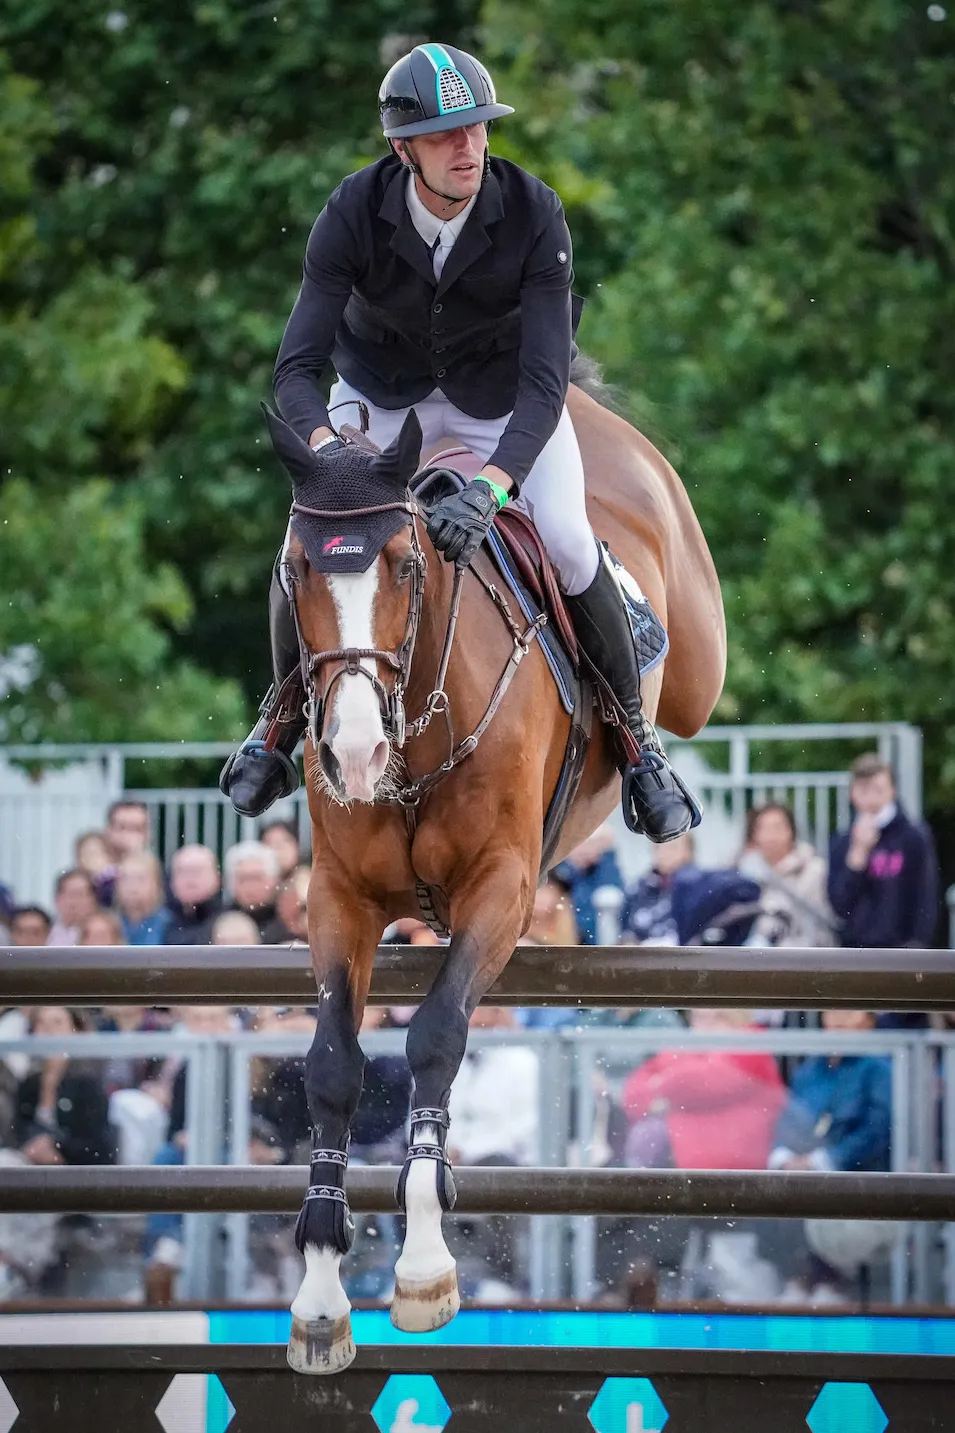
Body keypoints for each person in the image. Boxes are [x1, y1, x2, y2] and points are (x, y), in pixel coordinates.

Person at [218, 41, 698, 844]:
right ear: (403, 149)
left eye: (476, 128)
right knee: (304, 543)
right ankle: (279, 721)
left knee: (573, 544)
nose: (468, 146)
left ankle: (638, 747)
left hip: (500, 402)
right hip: (376, 400)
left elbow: (548, 384)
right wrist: (323, 446)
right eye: (445, 134)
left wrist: (492, 486)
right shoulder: (350, 210)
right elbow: (297, 366)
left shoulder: (534, 210)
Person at [829, 754, 939, 1029]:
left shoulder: (914, 837)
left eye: (879, 790)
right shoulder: (843, 842)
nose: (872, 799)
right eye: (864, 790)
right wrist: (857, 857)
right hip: (857, 959)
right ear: (853, 794)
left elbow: (926, 899)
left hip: (902, 957)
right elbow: (839, 905)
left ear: (892, 791)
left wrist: (917, 950)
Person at [621, 1009, 787, 1171]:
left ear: (737, 1019)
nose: (707, 1026)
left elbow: (706, 1082)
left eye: (718, 1018)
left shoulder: (752, 1045)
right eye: (699, 1018)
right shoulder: (686, 1049)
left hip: (736, 1169)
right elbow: (633, 1093)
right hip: (684, 1165)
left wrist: (661, 1086)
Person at [15, 1007, 116, 1167]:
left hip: (75, 1169)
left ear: (75, 1031)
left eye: (57, 1023)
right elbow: (16, 1131)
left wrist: (56, 1148)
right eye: (41, 1023)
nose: (48, 1031)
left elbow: (98, 1145)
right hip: (29, 1165)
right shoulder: (28, 1083)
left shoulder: (88, 1083)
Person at [738, 804, 835, 948]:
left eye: (777, 827)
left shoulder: (815, 870)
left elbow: (820, 924)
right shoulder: (743, 872)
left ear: (791, 831)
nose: (771, 835)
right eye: (763, 828)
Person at [619, 832, 697, 945]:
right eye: (658, 847)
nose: (663, 853)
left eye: (672, 847)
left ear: (688, 851)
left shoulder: (699, 889)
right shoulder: (637, 890)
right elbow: (625, 932)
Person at [552, 825, 624, 945]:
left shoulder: (604, 872)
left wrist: (608, 855)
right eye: (580, 844)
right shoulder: (560, 873)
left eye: (590, 845)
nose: (585, 850)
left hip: (596, 941)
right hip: (569, 939)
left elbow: (612, 886)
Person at [223, 840, 287, 942]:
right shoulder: (219, 922)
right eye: (243, 879)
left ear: (273, 881)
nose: (250, 886)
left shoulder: (287, 922)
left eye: (256, 878)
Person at [164, 844, 225, 945]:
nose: (190, 879)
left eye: (197, 871)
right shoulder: (160, 923)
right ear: (171, 880)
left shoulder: (230, 923)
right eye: (182, 871)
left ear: (217, 878)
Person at [114, 852, 169, 945]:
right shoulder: (108, 924)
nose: (132, 887)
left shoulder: (169, 926)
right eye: (125, 878)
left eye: (141, 879)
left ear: (156, 884)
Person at [48, 869, 100, 947]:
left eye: (79, 895)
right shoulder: (43, 932)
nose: (73, 902)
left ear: (93, 900)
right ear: (57, 899)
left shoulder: (103, 933)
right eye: (70, 894)